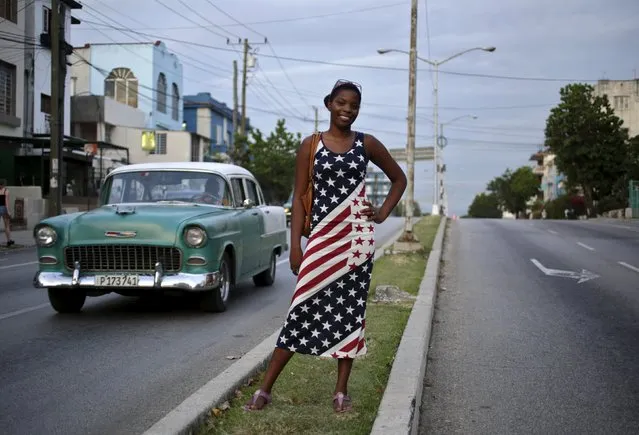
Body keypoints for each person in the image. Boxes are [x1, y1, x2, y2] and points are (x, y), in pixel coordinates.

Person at [244, 79, 407, 413]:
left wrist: (381, 212)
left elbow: (399, 178)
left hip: (356, 242)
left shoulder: (367, 143)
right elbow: (300, 198)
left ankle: (341, 392)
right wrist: (295, 247)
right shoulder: (311, 145)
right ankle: (265, 389)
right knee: (300, 309)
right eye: (341, 103)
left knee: (350, 312)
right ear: (329, 104)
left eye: (354, 105)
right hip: (321, 239)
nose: (347, 109)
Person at [0, 179, 15, 247]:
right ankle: (9, 241)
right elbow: (6, 202)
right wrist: (8, 211)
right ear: (4, 184)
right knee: (7, 225)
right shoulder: (6, 190)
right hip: (3, 208)